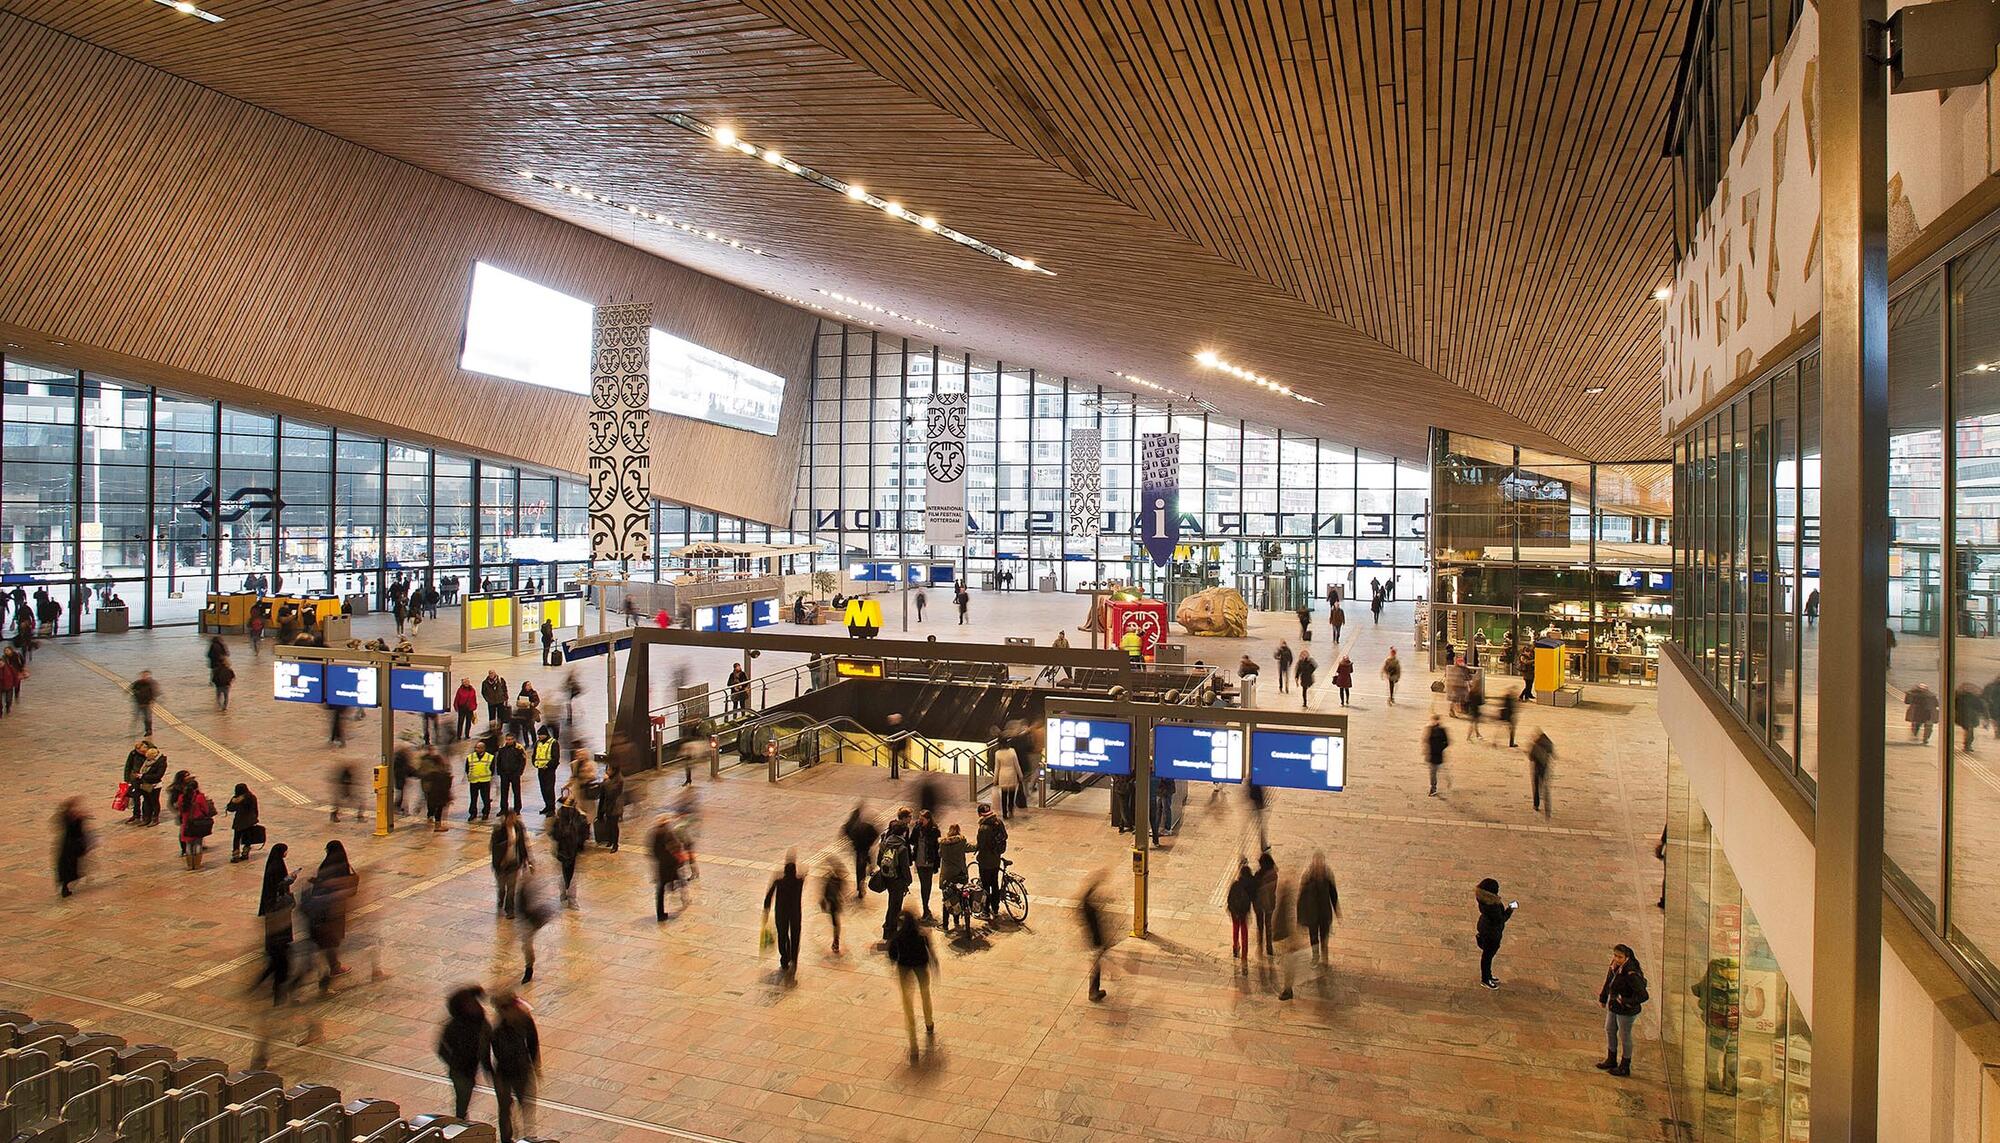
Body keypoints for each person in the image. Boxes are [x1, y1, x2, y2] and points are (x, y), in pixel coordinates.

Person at [302, 841, 356, 991]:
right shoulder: (343, 865)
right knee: (331, 939)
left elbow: (322, 883)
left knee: (327, 939)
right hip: (335, 909)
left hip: (323, 908)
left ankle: (332, 966)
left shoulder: (326, 865)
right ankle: (333, 967)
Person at [487, 992, 540, 1142]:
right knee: (504, 1108)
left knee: (525, 1106)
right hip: (504, 1072)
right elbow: (488, 1052)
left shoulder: (525, 1020)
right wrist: (491, 1072)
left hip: (521, 1070)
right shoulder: (496, 1029)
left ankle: (528, 1137)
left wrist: (535, 1065)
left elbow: (532, 1043)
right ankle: (507, 1138)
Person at [886, 910, 937, 1063]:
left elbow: (893, 955)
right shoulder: (922, 934)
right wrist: (934, 964)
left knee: (908, 1005)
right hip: (921, 967)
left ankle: (914, 1046)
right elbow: (930, 952)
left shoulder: (898, 937)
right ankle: (929, 1023)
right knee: (925, 994)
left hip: (904, 968)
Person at [436, 986, 490, 1122]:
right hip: (460, 1070)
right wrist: (455, 1063)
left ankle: (461, 1118)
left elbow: (485, 1044)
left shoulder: (480, 1022)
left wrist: (487, 1066)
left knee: (465, 1095)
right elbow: (441, 1049)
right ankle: (460, 1121)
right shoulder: (454, 1026)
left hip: (471, 1068)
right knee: (462, 1098)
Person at [252, 845, 297, 1004]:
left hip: (273, 911)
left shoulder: (273, 865)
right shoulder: (277, 867)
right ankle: (278, 995)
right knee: (279, 965)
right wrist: (290, 879)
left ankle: (267, 987)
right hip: (278, 911)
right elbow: (279, 886)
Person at [1597, 943, 1650, 1076]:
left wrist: (1625, 1001)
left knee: (1624, 1035)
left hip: (1626, 1010)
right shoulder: (1615, 966)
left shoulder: (1631, 973)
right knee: (1609, 1029)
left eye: (1620, 957)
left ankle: (1625, 1065)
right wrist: (1603, 997)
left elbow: (1643, 995)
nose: (1616, 959)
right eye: (1615, 956)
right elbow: (1608, 982)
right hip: (1614, 1006)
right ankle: (1611, 1059)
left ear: (1626, 957)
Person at [1298, 851, 1340, 971]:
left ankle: (1325, 959)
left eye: (1320, 861)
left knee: (1324, 938)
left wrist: (1337, 910)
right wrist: (1300, 918)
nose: (1319, 864)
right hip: (1312, 915)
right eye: (1317, 861)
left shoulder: (1327, 877)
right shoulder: (1308, 877)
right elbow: (1301, 898)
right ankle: (1316, 956)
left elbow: (1333, 894)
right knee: (1314, 937)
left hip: (1325, 914)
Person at [764, 854, 806, 975]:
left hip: (781, 913)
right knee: (795, 935)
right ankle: (793, 955)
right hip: (795, 913)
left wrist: (766, 910)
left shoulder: (779, 882)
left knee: (782, 935)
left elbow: (768, 897)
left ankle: (784, 957)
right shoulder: (799, 882)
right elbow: (803, 875)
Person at [874, 813, 914, 939]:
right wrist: (908, 881)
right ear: (903, 833)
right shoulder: (902, 848)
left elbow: (878, 860)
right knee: (895, 906)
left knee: (892, 903)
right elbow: (904, 867)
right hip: (898, 880)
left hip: (887, 878)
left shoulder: (886, 843)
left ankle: (889, 927)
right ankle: (889, 930)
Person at [1475, 878, 1515, 989]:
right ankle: (1485, 979)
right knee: (1488, 957)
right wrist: (1510, 909)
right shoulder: (1492, 905)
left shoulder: (1483, 899)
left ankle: (1488, 975)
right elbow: (1501, 919)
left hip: (1485, 927)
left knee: (1487, 956)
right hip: (1491, 933)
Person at [551, 794, 588, 908]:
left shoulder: (576, 817)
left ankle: (568, 896)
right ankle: (566, 894)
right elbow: (555, 834)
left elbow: (584, 833)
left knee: (569, 874)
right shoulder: (562, 817)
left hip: (571, 849)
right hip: (565, 849)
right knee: (567, 874)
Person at [490, 810, 529, 918]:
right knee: (502, 887)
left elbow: (523, 844)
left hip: (514, 863)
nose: (513, 820)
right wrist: (507, 843)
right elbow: (493, 847)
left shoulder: (518, 828)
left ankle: (510, 910)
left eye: (515, 818)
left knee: (511, 888)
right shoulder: (499, 830)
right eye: (511, 818)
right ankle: (500, 899)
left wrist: (527, 860)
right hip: (501, 864)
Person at [649, 813, 687, 921]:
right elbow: (676, 846)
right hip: (670, 864)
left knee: (660, 890)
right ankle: (684, 898)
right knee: (679, 879)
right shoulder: (668, 832)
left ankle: (660, 913)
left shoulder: (654, 833)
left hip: (662, 865)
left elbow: (653, 850)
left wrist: (659, 859)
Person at [1078, 872, 1110, 1002]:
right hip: (1095, 942)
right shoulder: (1088, 908)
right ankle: (1093, 993)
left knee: (1097, 967)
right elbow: (1095, 927)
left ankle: (1094, 991)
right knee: (1096, 968)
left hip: (1094, 941)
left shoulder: (1086, 906)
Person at [974, 802, 1008, 919]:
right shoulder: (998, 822)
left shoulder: (984, 828)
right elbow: (1005, 836)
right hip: (996, 858)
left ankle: (986, 911)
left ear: (980, 814)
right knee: (994, 883)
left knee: (985, 886)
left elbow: (981, 845)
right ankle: (996, 908)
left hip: (985, 861)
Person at [177, 776, 216, 871]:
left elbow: (180, 809)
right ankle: (197, 864)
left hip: (186, 823)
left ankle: (190, 865)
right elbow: (205, 810)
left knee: (189, 845)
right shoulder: (200, 797)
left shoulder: (182, 797)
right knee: (198, 844)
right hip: (198, 823)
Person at [910, 809, 941, 922]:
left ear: (928, 820)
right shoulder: (917, 828)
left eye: (922, 819)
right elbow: (912, 841)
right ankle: (926, 908)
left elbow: (936, 849)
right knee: (924, 885)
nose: (920, 821)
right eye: (920, 819)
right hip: (919, 861)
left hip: (929, 862)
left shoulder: (934, 831)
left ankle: (925, 908)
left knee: (926, 886)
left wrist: (937, 865)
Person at [54, 798, 88, 898]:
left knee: (68, 867)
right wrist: (80, 819)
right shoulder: (71, 819)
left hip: (67, 845)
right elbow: (76, 830)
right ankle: (65, 887)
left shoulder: (65, 817)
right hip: (71, 846)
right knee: (69, 867)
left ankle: (65, 886)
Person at [843, 805, 878, 899]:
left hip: (859, 849)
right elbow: (875, 833)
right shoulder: (866, 826)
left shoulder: (851, 826)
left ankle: (860, 883)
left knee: (860, 868)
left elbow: (845, 831)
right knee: (867, 862)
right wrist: (870, 843)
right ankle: (869, 872)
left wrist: (853, 842)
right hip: (865, 849)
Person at [1226, 860, 1255, 970]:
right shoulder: (1249, 886)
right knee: (1244, 933)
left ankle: (1235, 946)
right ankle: (1244, 958)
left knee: (1235, 928)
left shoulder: (1235, 885)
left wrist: (1232, 910)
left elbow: (1229, 899)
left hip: (1235, 912)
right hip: (1243, 914)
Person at [818, 858, 849, 953]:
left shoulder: (831, 880)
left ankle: (836, 941)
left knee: (835, 923)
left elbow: (825, 892)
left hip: (833, 904)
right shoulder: (838, 880)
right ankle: (836, 941)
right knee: (836, 924)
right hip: (834, 904)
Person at [1252, 851, 1278, 958]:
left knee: (1260, 925)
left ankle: (1260, 945)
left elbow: (1254, 889)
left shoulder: (1258, 875)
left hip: (1259, 904)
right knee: (1268, 925)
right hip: (1270, 903)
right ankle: (1269, 948)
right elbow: (1273, 889)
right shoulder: (1274, 875)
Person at [419, 748, 452, 831]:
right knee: (439, 808)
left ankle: (431, 817)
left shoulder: (433, 771)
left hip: (432, 791)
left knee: (433, 804)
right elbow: (445, 785)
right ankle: (437, 826)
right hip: (439, 794)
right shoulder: (440, 773)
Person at [227, 783, 261, 862]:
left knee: (236, 838)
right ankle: (245, 853)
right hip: (250, 821)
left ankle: (235, 856)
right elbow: (255, 809)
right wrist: (255, 818)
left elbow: (230, 809)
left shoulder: (237, 799)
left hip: (239, 821)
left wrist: (234, 802)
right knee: (248, 838)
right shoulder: (252, 797)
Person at [465, 741, 495, 821]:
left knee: (485, 798)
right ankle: (473, 813)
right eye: (476, 747)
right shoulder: (470, 757)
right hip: (474, 781)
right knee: (473, 799)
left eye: (478, 748)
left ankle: (485, 813)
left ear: (483, 748)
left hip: (485, 781)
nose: (476, 749)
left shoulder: (490, 757)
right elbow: (467, 769)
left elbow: (492, 769)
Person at [994, 739, 1023, 818]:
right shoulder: (1012, 751)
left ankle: (1004, 813)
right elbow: (1017, 765)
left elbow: (997, 767)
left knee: (1003, 795)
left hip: (1002, 775)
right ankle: (1010, 810)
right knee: (1011, 795)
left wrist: (995, 779)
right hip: (1012, 774)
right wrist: (1020, 775)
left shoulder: (997, 753)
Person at [1529, 730, 1555, 817]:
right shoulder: (1549, 744)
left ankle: (1536, 805)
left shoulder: (1536, 745)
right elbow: (1553, 755)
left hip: (1537, 769)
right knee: (1546, 788)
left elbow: (1531, 757)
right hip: (1545, 768)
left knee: (1536, 787)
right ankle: (1548, 808)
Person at [130, 670, 159, 736]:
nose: (145, 677)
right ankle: (135, 730)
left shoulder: (150, 684)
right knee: (137, 716)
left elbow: (153, 693)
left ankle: (148, 730)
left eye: (146, 676)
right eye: (144, 676)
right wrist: (136, 696)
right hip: (139, 703)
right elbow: (132, 689)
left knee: (147, 717)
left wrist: (151, 700)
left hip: (147, 703)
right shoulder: (137, 683)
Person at [1426, 716, 1448, 797]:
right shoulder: (1430, 729)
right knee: (1433, 772)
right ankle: (1433, 788)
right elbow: (1427, 740)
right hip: (1432, 754)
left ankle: (1445, 782)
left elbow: (1447, 742)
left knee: (1436, 771)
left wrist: (1440, 748)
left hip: (1438, 754)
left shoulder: (1442, 730)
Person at [452, 678, 478, 742]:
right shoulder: (460, 690)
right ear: (462, 683)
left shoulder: (472, 690)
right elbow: (457, 699)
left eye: (467, 682)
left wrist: (474, 706)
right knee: (460, 722)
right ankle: (459, 735)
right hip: (462, 708)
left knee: (468, 722)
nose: (467, 683)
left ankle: (467, 734)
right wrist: (456, 707)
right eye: (465, 682)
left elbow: (474, 699)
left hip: (470, 708)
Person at [1466, 671, 1486, 741]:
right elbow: (1479, 702)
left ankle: (1477, 734)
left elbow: (1468, 700)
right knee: (1473, 723)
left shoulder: (1472, 692)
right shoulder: (1476, 693)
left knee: (1474, 723)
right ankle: (1470, 736)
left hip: (1472, 709)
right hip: (1474, 710)